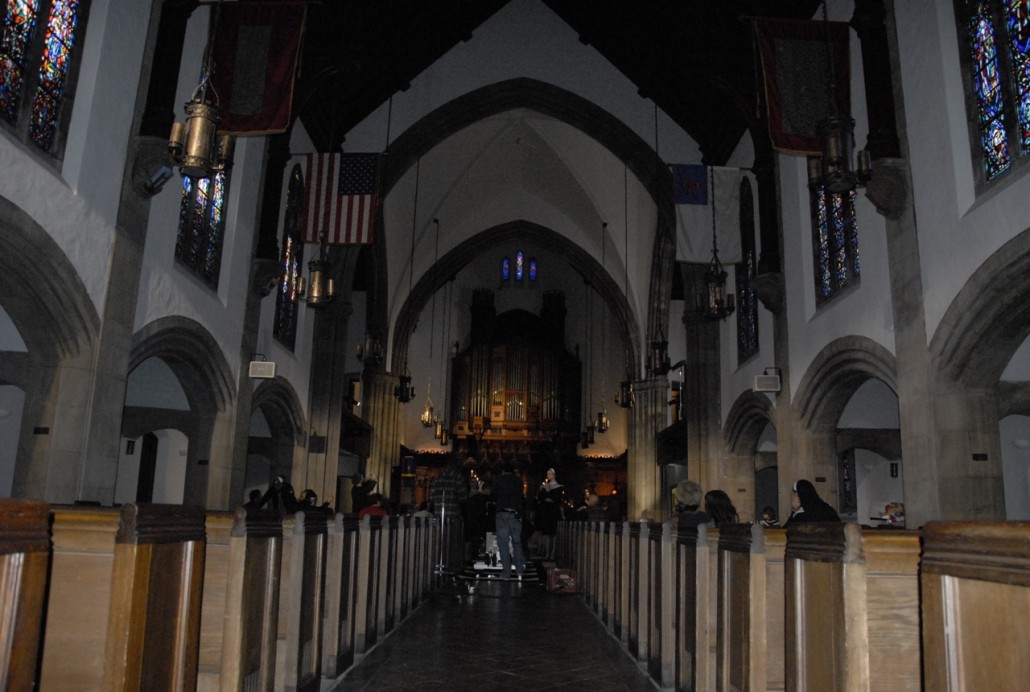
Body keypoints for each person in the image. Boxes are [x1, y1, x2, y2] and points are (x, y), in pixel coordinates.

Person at [431, 457, 470, 573]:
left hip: (438, 515)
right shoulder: (458, 478)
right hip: (453, 515)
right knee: (454, 542)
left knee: (440, 541)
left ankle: (440, 564)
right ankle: (454, 567)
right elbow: (464, 497)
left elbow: (432, 497)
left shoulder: (438, 478)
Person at [493, 463, 527, 580]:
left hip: (502, 513)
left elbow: (494, 493)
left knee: (503, 543)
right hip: (516, 513)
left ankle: (506, 572)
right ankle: (519, 570)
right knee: (517, 542)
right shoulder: (519, 481)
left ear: (503, 471)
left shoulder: (500, 479)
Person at [535, 467, 564, 559]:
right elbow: (540, 499)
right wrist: (543, 491)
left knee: (553, 533)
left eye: (550, 474)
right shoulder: (544, 486)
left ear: (554, 475)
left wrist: (548, 492)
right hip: (545, 510)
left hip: (553, 510)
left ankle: (552, 553)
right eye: (547, 474)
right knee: (546, 532)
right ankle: (547, 553)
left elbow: (557, 499)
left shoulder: (559, 487)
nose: (548, 476)